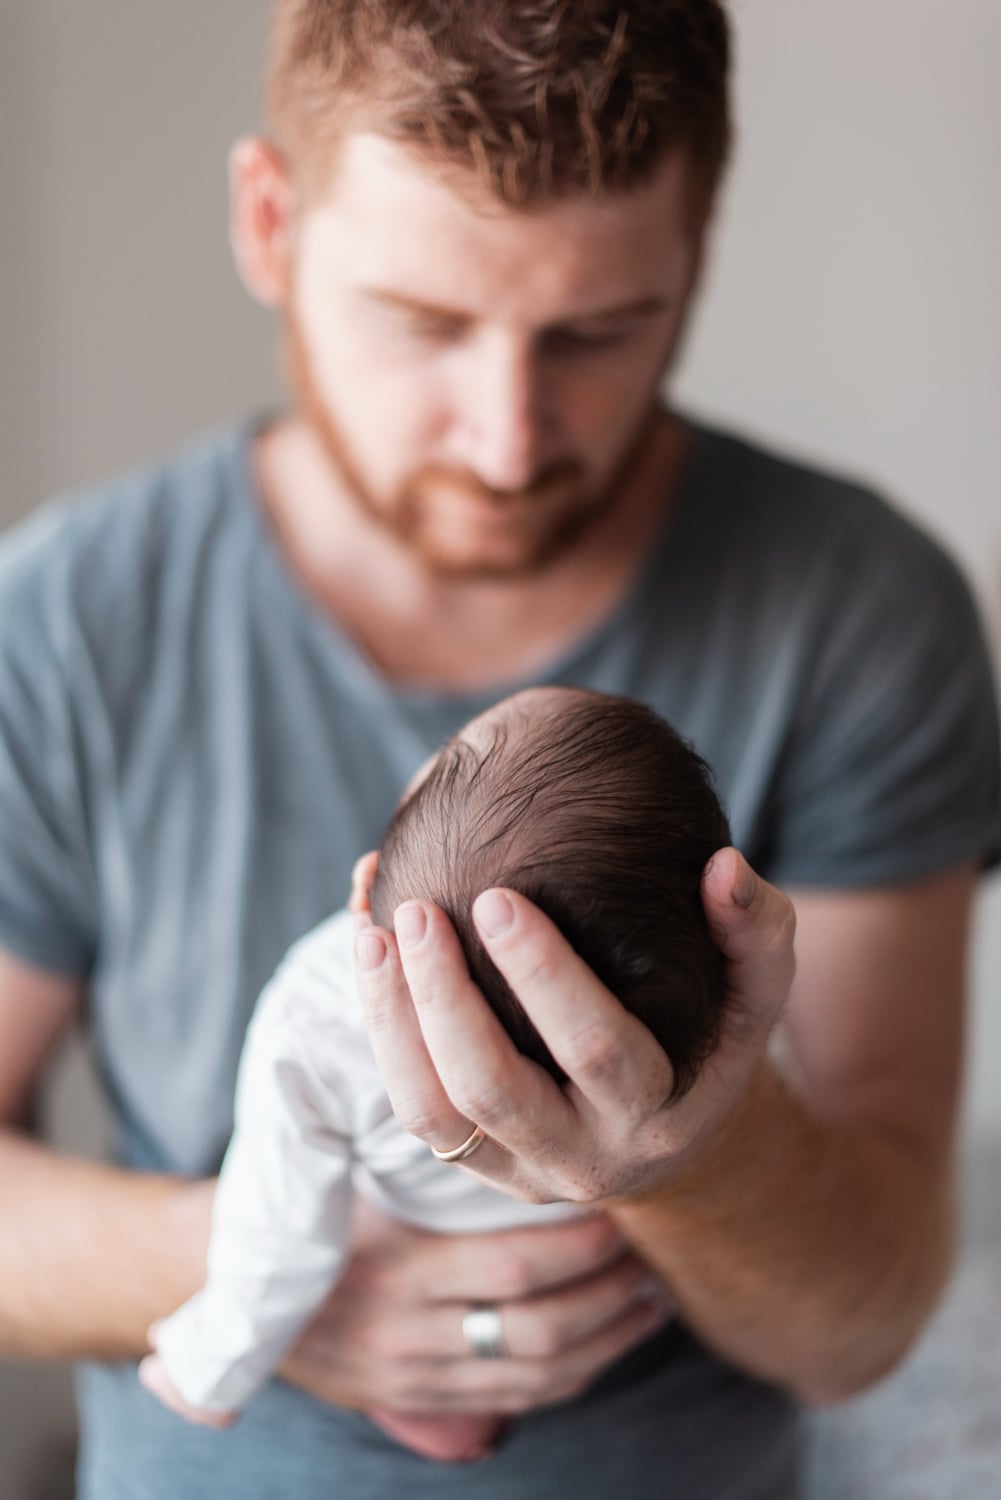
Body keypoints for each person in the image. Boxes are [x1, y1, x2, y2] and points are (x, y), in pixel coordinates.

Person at [0, 3, 997, 1497]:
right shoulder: (58, 625)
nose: (508, 439)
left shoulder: (857, 612)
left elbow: (859, 1324)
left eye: (596, 332)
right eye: (423, 322)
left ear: (696, 252)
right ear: (269, 224)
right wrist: (275, 1259)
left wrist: (699, 1150)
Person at [138, 684, 731, 1460]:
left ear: (367, 888)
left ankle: (448, 1416)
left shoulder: (316, 1013)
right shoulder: (699, 996)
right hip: (611, 1268)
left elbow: (276, 1230)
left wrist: (210, 1366)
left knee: (318, 1197)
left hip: (421, 1246)